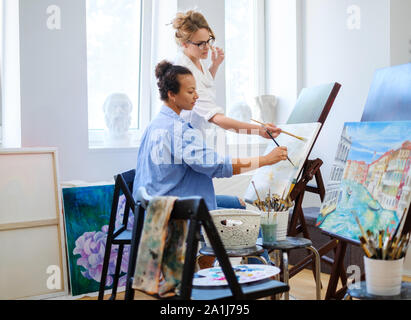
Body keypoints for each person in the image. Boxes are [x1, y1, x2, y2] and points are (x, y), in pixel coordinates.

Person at [132, 60, 288, 213]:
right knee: (255, 228)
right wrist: (267, 159)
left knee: (237, 203)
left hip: (156, 204)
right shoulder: (179, 131)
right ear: (172, 94)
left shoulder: (155, 124)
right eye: (190, 91)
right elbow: (219, 166)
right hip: (174, 213)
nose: (196, 96)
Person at [172, 10, 282, 209]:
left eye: (209, 40)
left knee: (232, 204)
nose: (207, 47)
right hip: (187, 150)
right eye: (200, 43)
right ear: (184, 44)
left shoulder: (197, 62)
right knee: (222, 209)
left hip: (194, 143)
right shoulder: (184, 71)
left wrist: (214, 65)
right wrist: (259, 131)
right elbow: (216, 118)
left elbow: (202, 91)